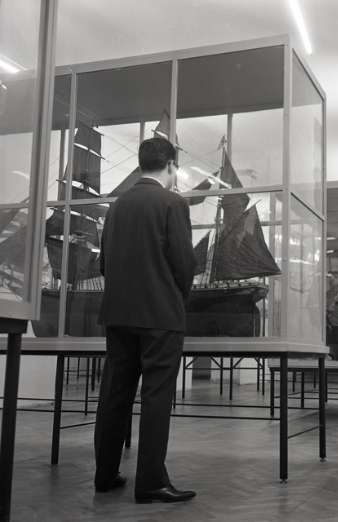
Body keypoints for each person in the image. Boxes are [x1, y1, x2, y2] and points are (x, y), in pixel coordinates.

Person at [94, 137, 197, 503]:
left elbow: (103, 264)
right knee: (156, 398)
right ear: (170, 165)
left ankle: (105, 475)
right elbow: (184, 264)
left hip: (118, 315)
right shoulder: (173, 203)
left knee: (115, 395)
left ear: (141, 164)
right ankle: (151, 481)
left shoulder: (116, 207)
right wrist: (177, 298)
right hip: (160, 316)